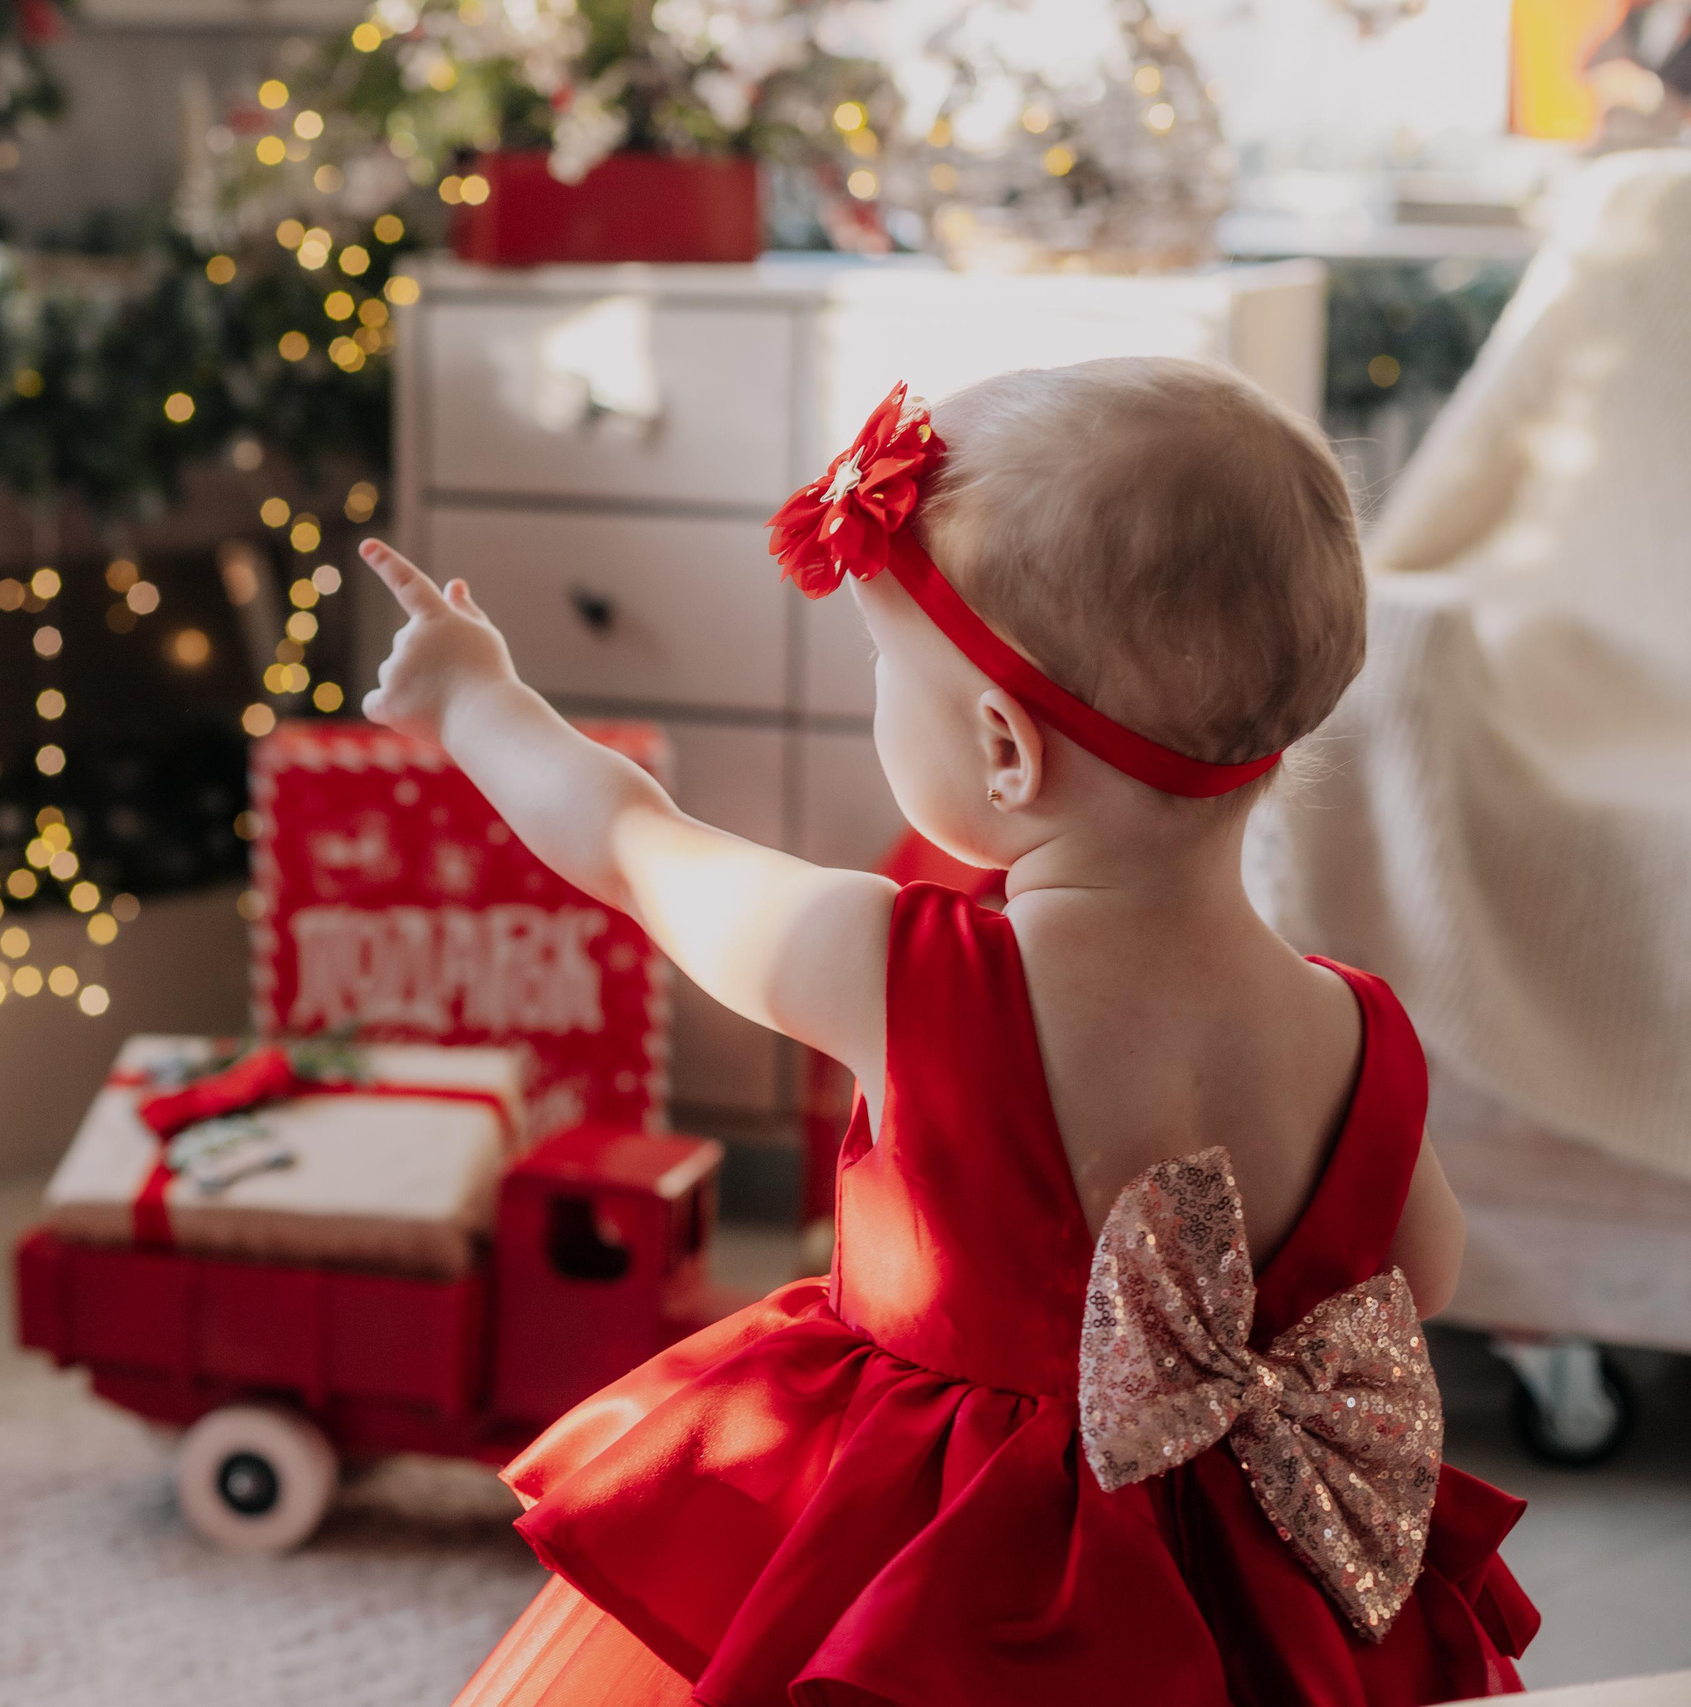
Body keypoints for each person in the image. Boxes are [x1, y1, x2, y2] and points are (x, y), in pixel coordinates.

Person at [354, 360, 1539, 1707]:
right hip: (1242, 1598)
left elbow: (632, 844)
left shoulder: (905, 974)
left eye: (884, 666)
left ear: (1003, 750)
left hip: (943, 1582)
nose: (876, 692)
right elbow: (1426, 1268)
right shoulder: (1353, 1026)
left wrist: (477, 699)